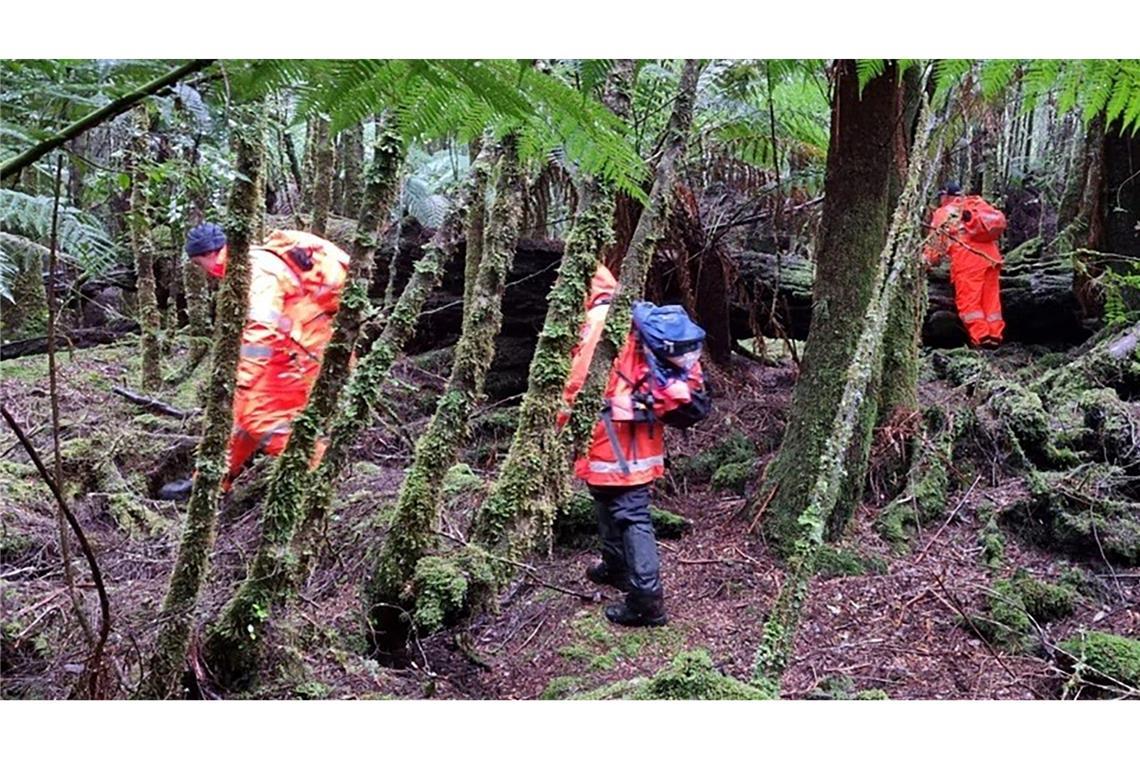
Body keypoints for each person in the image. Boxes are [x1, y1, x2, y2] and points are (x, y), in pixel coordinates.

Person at [557, 264, 707, 627]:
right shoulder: (628, 315)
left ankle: (646, 600)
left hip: (614, 435)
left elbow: (577, 381)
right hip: (635, 431)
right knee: (606, 498)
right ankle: (616, 567)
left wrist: (560, 423)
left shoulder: (598, 321)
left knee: (631, 511)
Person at [160, 223, 350, 499]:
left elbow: (262, 326)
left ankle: (323, 480)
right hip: (288, 350)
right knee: (239, 417)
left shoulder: (257, 270)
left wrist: (246, 378)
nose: (204, 272)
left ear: (207, 256)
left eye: (199, 264)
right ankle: (209, 482)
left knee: (265, 421)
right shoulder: (249, 265)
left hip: (298, 354)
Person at [923, 181, 1007, 348]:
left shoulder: (944, 213)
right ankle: (995, 335)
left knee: (970, 302)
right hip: (991, 257)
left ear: (946, 196)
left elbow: (936, 245)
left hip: (969, 260)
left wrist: (925, 262)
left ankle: (981, 337)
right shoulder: (976, 204)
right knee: (991, 301)